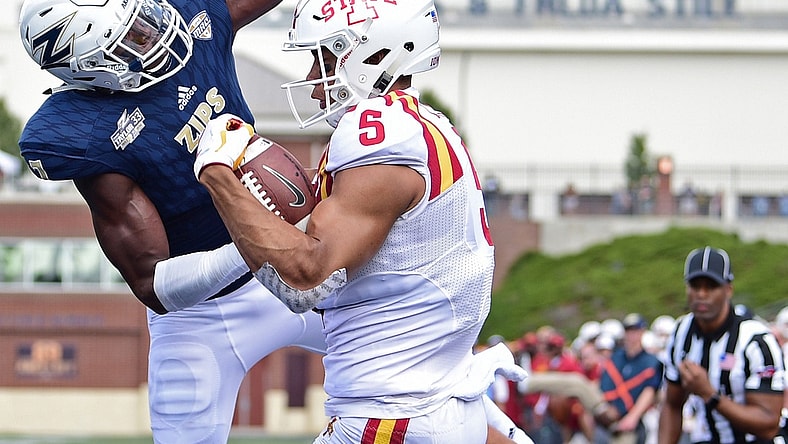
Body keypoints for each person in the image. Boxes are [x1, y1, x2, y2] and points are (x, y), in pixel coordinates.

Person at [191, 0, 533, 442]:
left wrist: (218, 175)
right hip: (435, 403)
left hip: (389, 417)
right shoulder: (425, 126)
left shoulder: (377, 131)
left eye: (325, 59)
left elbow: (305, 278)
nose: (316, 84)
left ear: (373, 54)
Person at [17, 0, 331, 442]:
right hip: (200, 315)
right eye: (132, 38)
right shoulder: (84, 134)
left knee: (414, 368)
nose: (154, 35)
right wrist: (261, 244)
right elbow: (154, 284)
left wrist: (284, 246)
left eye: (145, 19)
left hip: (299, 268)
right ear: (85, 70)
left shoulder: (189, 14)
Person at [658, 246, 785, 444]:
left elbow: (768, 424)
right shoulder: (681, 332)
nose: (701, 294)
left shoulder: (756, 339)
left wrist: (710, 394)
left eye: (711, 286)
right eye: (695, 285)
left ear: (728, 289)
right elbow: (672, 404)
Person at [596, 313, 664, 444]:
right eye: (628, 331)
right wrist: (605, 406)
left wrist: (632, 417)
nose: (631, 335)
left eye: (635, 330)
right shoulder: (617, 357)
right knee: (578, 385)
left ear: (642, 331)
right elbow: (605, 383)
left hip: (634, 415)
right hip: (608, 407)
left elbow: (650, 390)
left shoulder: (651, 362)